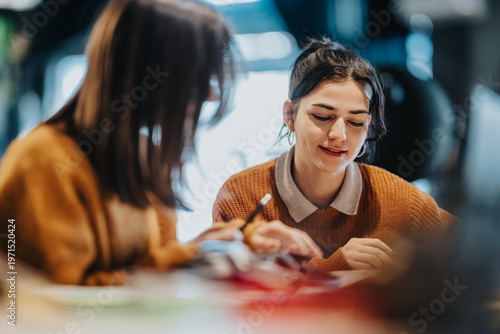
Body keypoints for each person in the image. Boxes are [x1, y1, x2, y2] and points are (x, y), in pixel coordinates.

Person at [0, 0, 321, 286]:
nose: (210, 94)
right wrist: (207, 261)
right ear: (143, 74)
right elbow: (71, 295)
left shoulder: (142, 155)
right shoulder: (44, 158)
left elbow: (156, 259)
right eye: (198, 76)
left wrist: (241, 241)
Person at [213, 38, 455, 272]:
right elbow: (229, 290)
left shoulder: (397, 199)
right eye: (322, 116)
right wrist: (330, 268)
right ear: (290, 116)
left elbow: (474, 253)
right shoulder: (241, 196)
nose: (339, 135)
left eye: (355, 121)